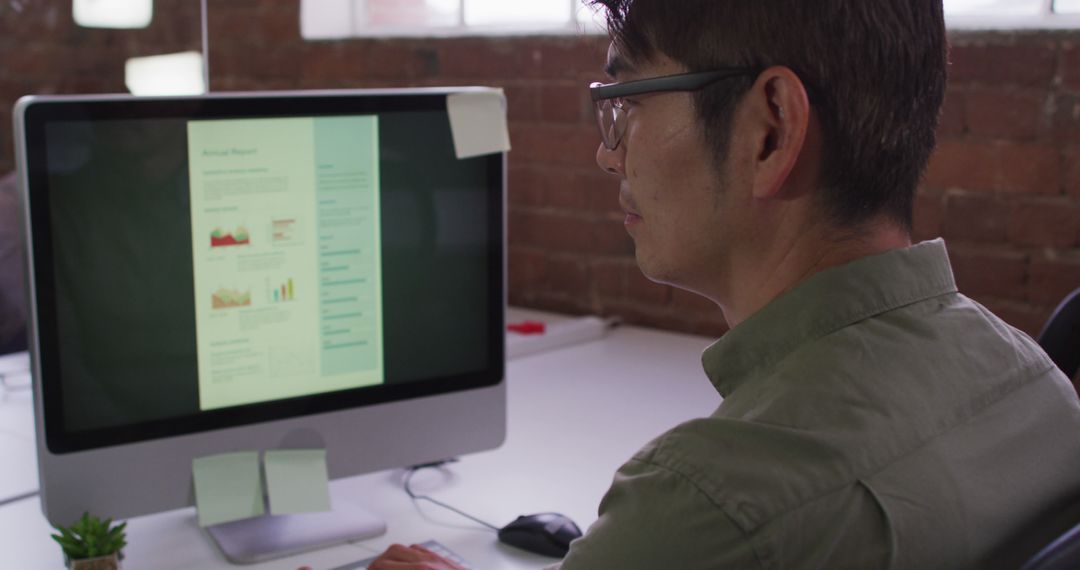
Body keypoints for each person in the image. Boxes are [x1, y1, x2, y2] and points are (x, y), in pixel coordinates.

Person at [370, 0, 1080, 568]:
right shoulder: (1035, 381)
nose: (604, 154)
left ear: (770, 131)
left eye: (628, 101)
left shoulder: (708, 506)